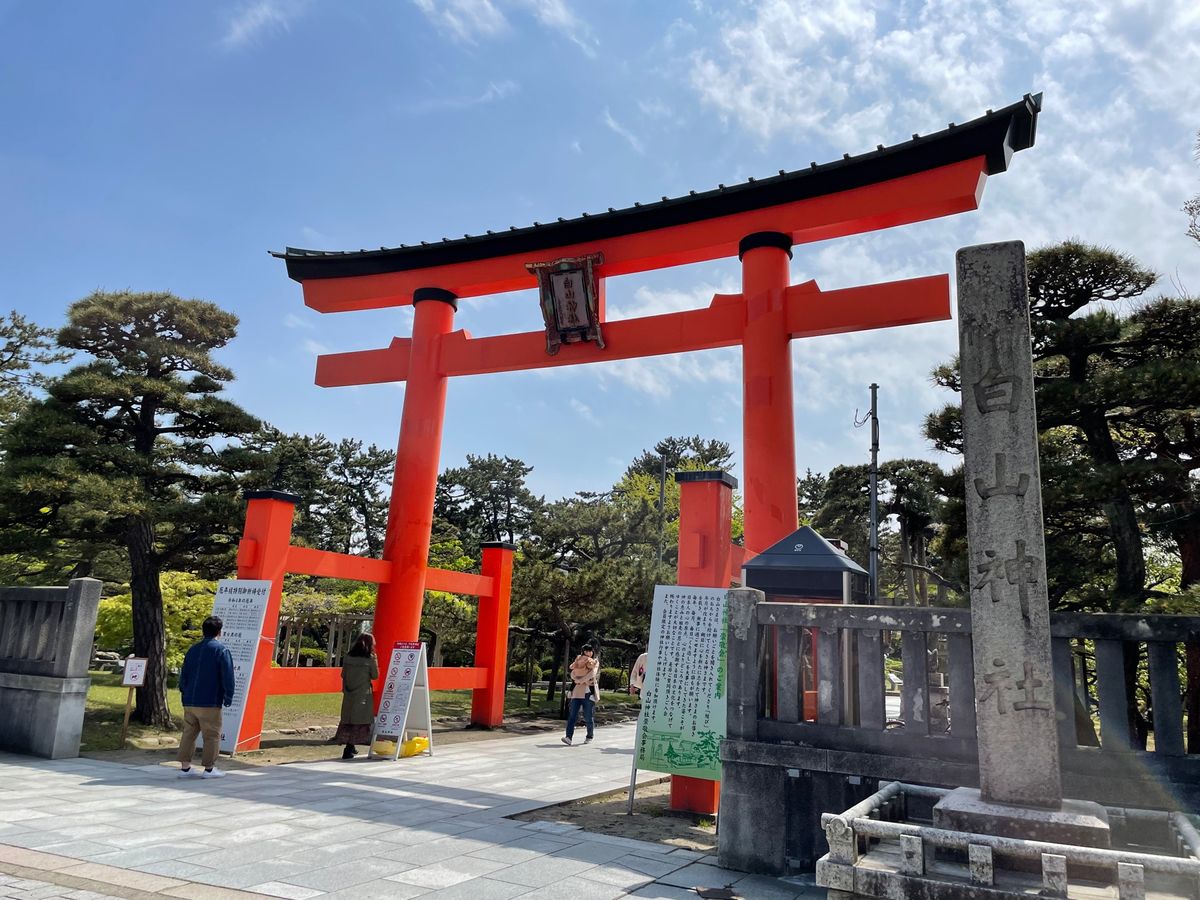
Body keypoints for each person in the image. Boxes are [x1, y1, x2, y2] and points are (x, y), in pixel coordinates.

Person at [177, 615, 234, 779]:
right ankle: (209, 768)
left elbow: (184, 674)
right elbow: (227, 677)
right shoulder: (222, 650)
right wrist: (228, 697)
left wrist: (184, 692)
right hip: (210, 701)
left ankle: (185, 768)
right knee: (212, 735)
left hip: (190, 700)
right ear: (219, 631)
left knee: (189, 733)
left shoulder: (192, 649)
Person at [336, 632, 378, 760]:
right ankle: (349, 748)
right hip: (362, 694)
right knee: (359, 721)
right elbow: (375, 675)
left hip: (349, 694)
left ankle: (350, 746)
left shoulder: (348, 657)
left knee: (349, 719)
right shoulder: (370, 658)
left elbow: (343, 675)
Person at [561, 643, 599, 746]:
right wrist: (575, 680)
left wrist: (580, 680)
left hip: (588, 693)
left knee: (588, 716)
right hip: (577, 692)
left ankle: (589, 735)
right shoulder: (578, 660)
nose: (588, 653)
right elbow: (572, 673)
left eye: (590, 651)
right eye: (586, 651)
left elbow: (592, 674)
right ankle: (568, 737)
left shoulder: (595, 662)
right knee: (572, 715)